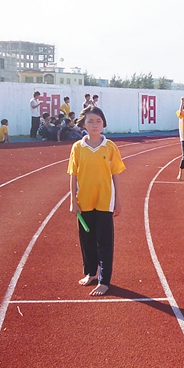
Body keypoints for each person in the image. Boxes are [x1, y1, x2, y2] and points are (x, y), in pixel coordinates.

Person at [68, 106, 125, 296]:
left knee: (104, 241)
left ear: (103, 123)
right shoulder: (78, 147)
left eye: (98, 121)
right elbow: (73, 174)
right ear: (83, 124)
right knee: (87, 239)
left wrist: (118, 200)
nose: (95, 125)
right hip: (84, 200)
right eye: (90, 121)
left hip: (105, 200)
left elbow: (116, 174)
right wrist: (73, 200)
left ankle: (104, 280)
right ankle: (91, 273)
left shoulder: (110, 147)